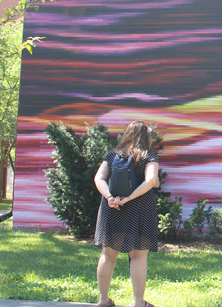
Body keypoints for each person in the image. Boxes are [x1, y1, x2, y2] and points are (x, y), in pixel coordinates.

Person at [93, 121, 160, 307]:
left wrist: (109, 197)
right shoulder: (149, 155)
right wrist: (129, 198)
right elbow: (151, 180)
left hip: (112, 206)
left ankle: (103, 300)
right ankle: (139, 303)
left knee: (107, 255)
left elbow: (99, 177)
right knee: (139, 255)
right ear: (145, 136)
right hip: (139, 207)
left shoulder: (113, 154)